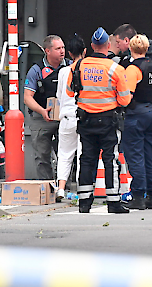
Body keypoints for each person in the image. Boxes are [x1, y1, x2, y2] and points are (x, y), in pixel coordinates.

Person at [66, 27, 132, 213]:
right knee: (110, 160)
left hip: (85, 120)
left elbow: (70, 91)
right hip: (108, 121)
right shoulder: (115, 69)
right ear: (108, 45)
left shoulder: (78, 66)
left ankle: (84, 202)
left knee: (87, 159)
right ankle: (113, 202)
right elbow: (125, 99)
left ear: (92, 46)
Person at [120, 34, 152, 210]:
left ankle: (138, 195)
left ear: (131, 48)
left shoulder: (132, 69)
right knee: (148, 153)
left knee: (135, 155)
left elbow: (127, 97)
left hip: (136, 114)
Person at [24, 35, 67, 179]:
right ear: (47, 51)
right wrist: (42, 111)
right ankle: (46, 187)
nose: (62, 51)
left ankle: (63, 188)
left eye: (63, 48)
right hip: (41, 117)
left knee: (65, 155)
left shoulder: (69, 67)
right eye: (58, 48)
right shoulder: (36, 70)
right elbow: (27, 97)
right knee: (42, 155)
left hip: (64, 117)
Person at [113, 24, 152, 119]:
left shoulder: (130, 62)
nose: (117, 46)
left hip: (139, 108)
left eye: (118, 42)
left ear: (127, 41)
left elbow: (127, 92)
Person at [55, 34, 87, 201]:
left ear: (69, 53)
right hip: (83, 116)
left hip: (66, 116)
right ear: (85, 51)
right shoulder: (87, 70)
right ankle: (82, 188)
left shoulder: (62, 72)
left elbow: (59, 96)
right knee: (83, 154)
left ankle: (60, 188)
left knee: (64, 154)